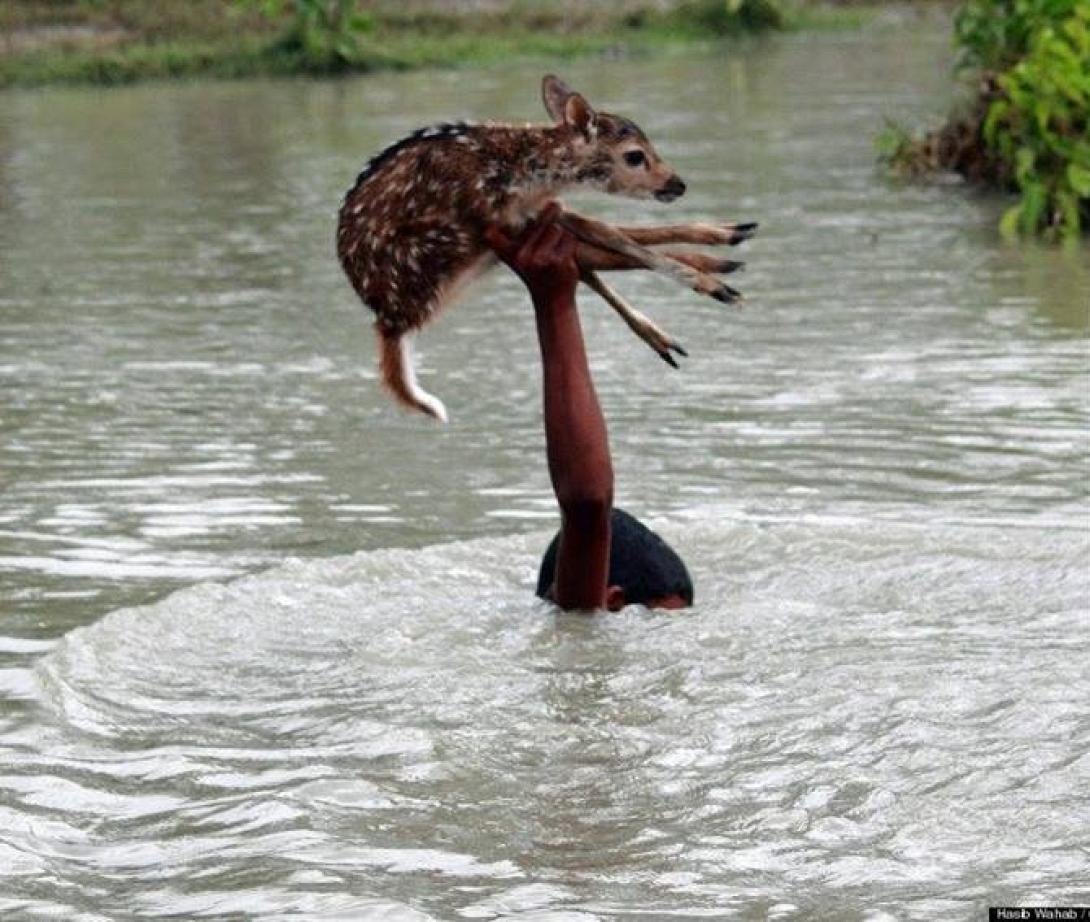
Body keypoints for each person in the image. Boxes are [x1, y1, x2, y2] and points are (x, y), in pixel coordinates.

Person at [485, 205, 693, 612]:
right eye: (660, 625)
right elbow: (587, 504)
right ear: (611, 600)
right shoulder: (581, 621)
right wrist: (555, 303)